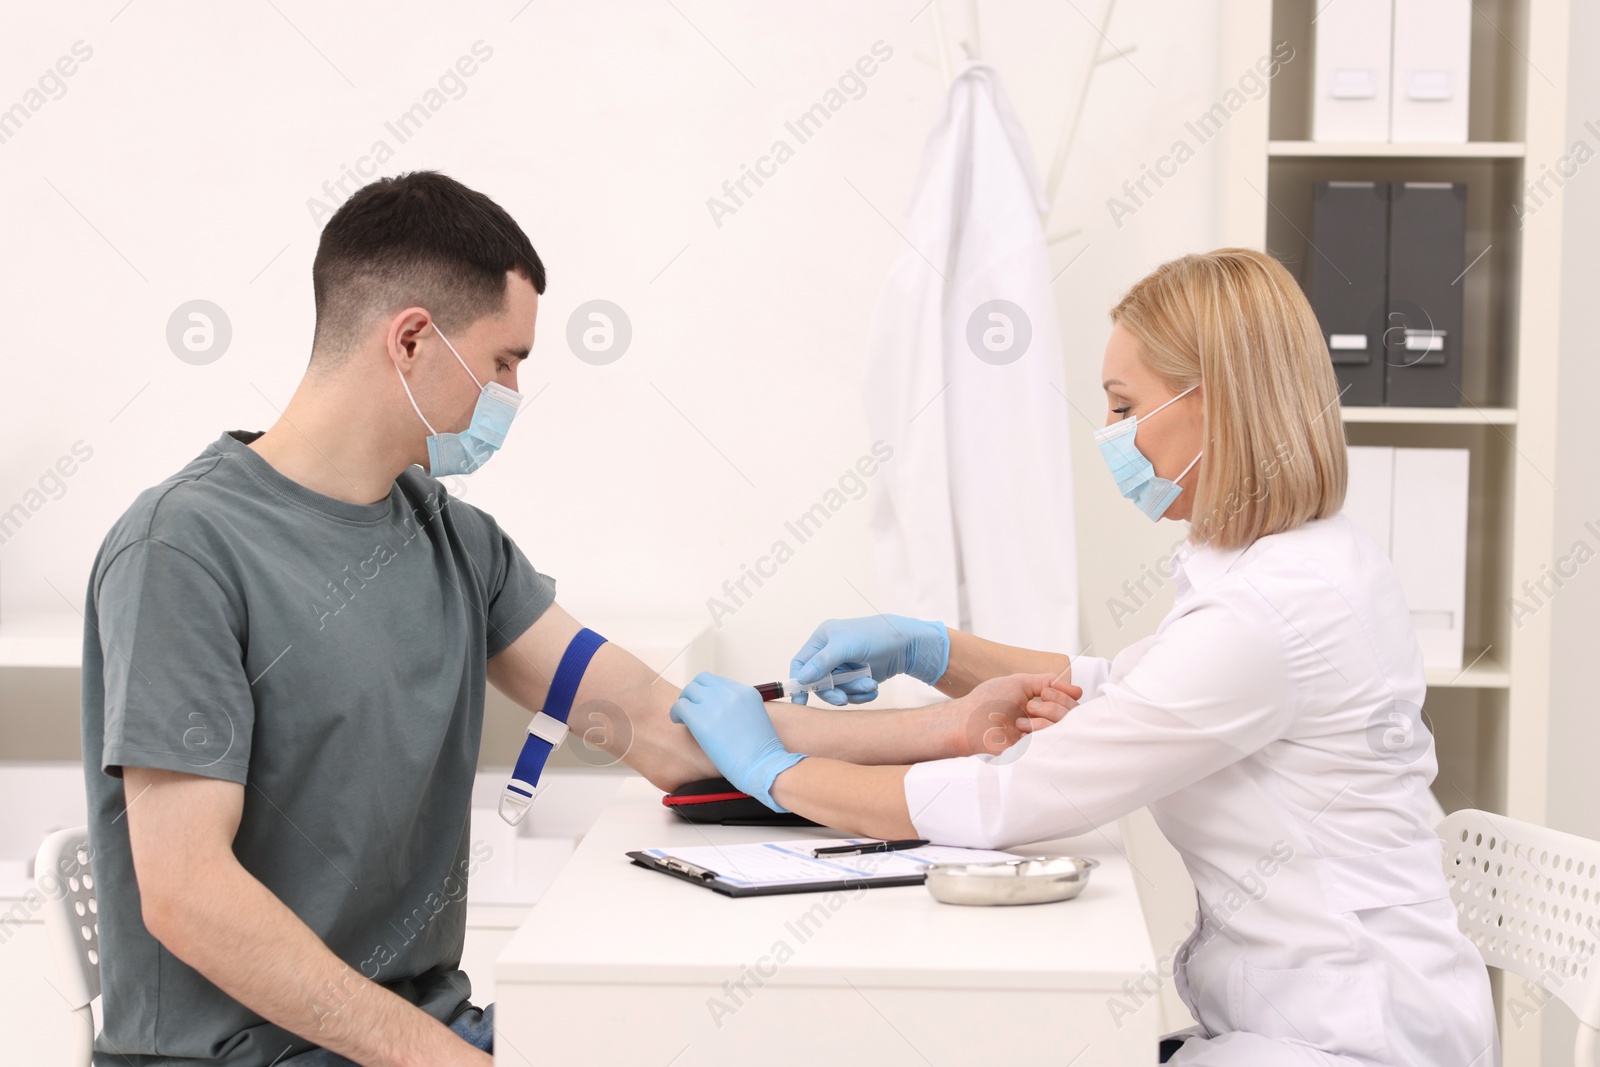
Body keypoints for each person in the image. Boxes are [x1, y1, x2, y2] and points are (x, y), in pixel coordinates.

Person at [81, 171, 1051, 1067]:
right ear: (411, 338)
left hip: (422, 1028)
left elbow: (664, 725)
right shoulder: (183, 551)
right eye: (504, 361)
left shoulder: (452, 541)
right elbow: (187, 893)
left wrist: (949, 726)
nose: (510, 395)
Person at [668, 248, 1499, 1066]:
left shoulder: (1271, 611)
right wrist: (930, 645)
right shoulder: (1295, 562)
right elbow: (1114, 686)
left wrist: (772, 768)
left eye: (1121, 405)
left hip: (1357, 1035)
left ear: (1209, 405)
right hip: (1307, 1013)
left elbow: (1017, 797)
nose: (1108, 434)